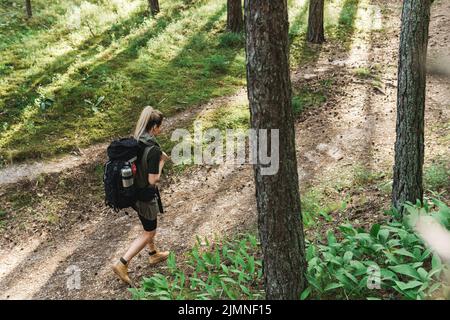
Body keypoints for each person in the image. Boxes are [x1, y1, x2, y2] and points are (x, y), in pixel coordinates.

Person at [112, 106, 171, 285]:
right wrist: (162, 161)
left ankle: (153, 254)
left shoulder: (137, 140)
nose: (161, 129)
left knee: (147, 224)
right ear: (153, 127)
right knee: (149, 231)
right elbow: (153, 179)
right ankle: (122, 263)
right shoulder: (152, 150)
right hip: (145, 195)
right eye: (160, 126)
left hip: (133, 192)